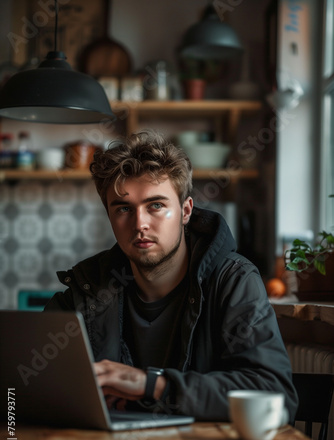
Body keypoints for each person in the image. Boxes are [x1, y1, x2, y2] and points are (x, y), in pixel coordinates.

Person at [45, 130, 298, 421]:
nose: (140, 224)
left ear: (186, 211)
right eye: (124, 209)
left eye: (156, 206)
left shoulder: (234, 282)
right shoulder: (88, 287)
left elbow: (276, 397)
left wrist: (153, 385)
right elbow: (26, 383)